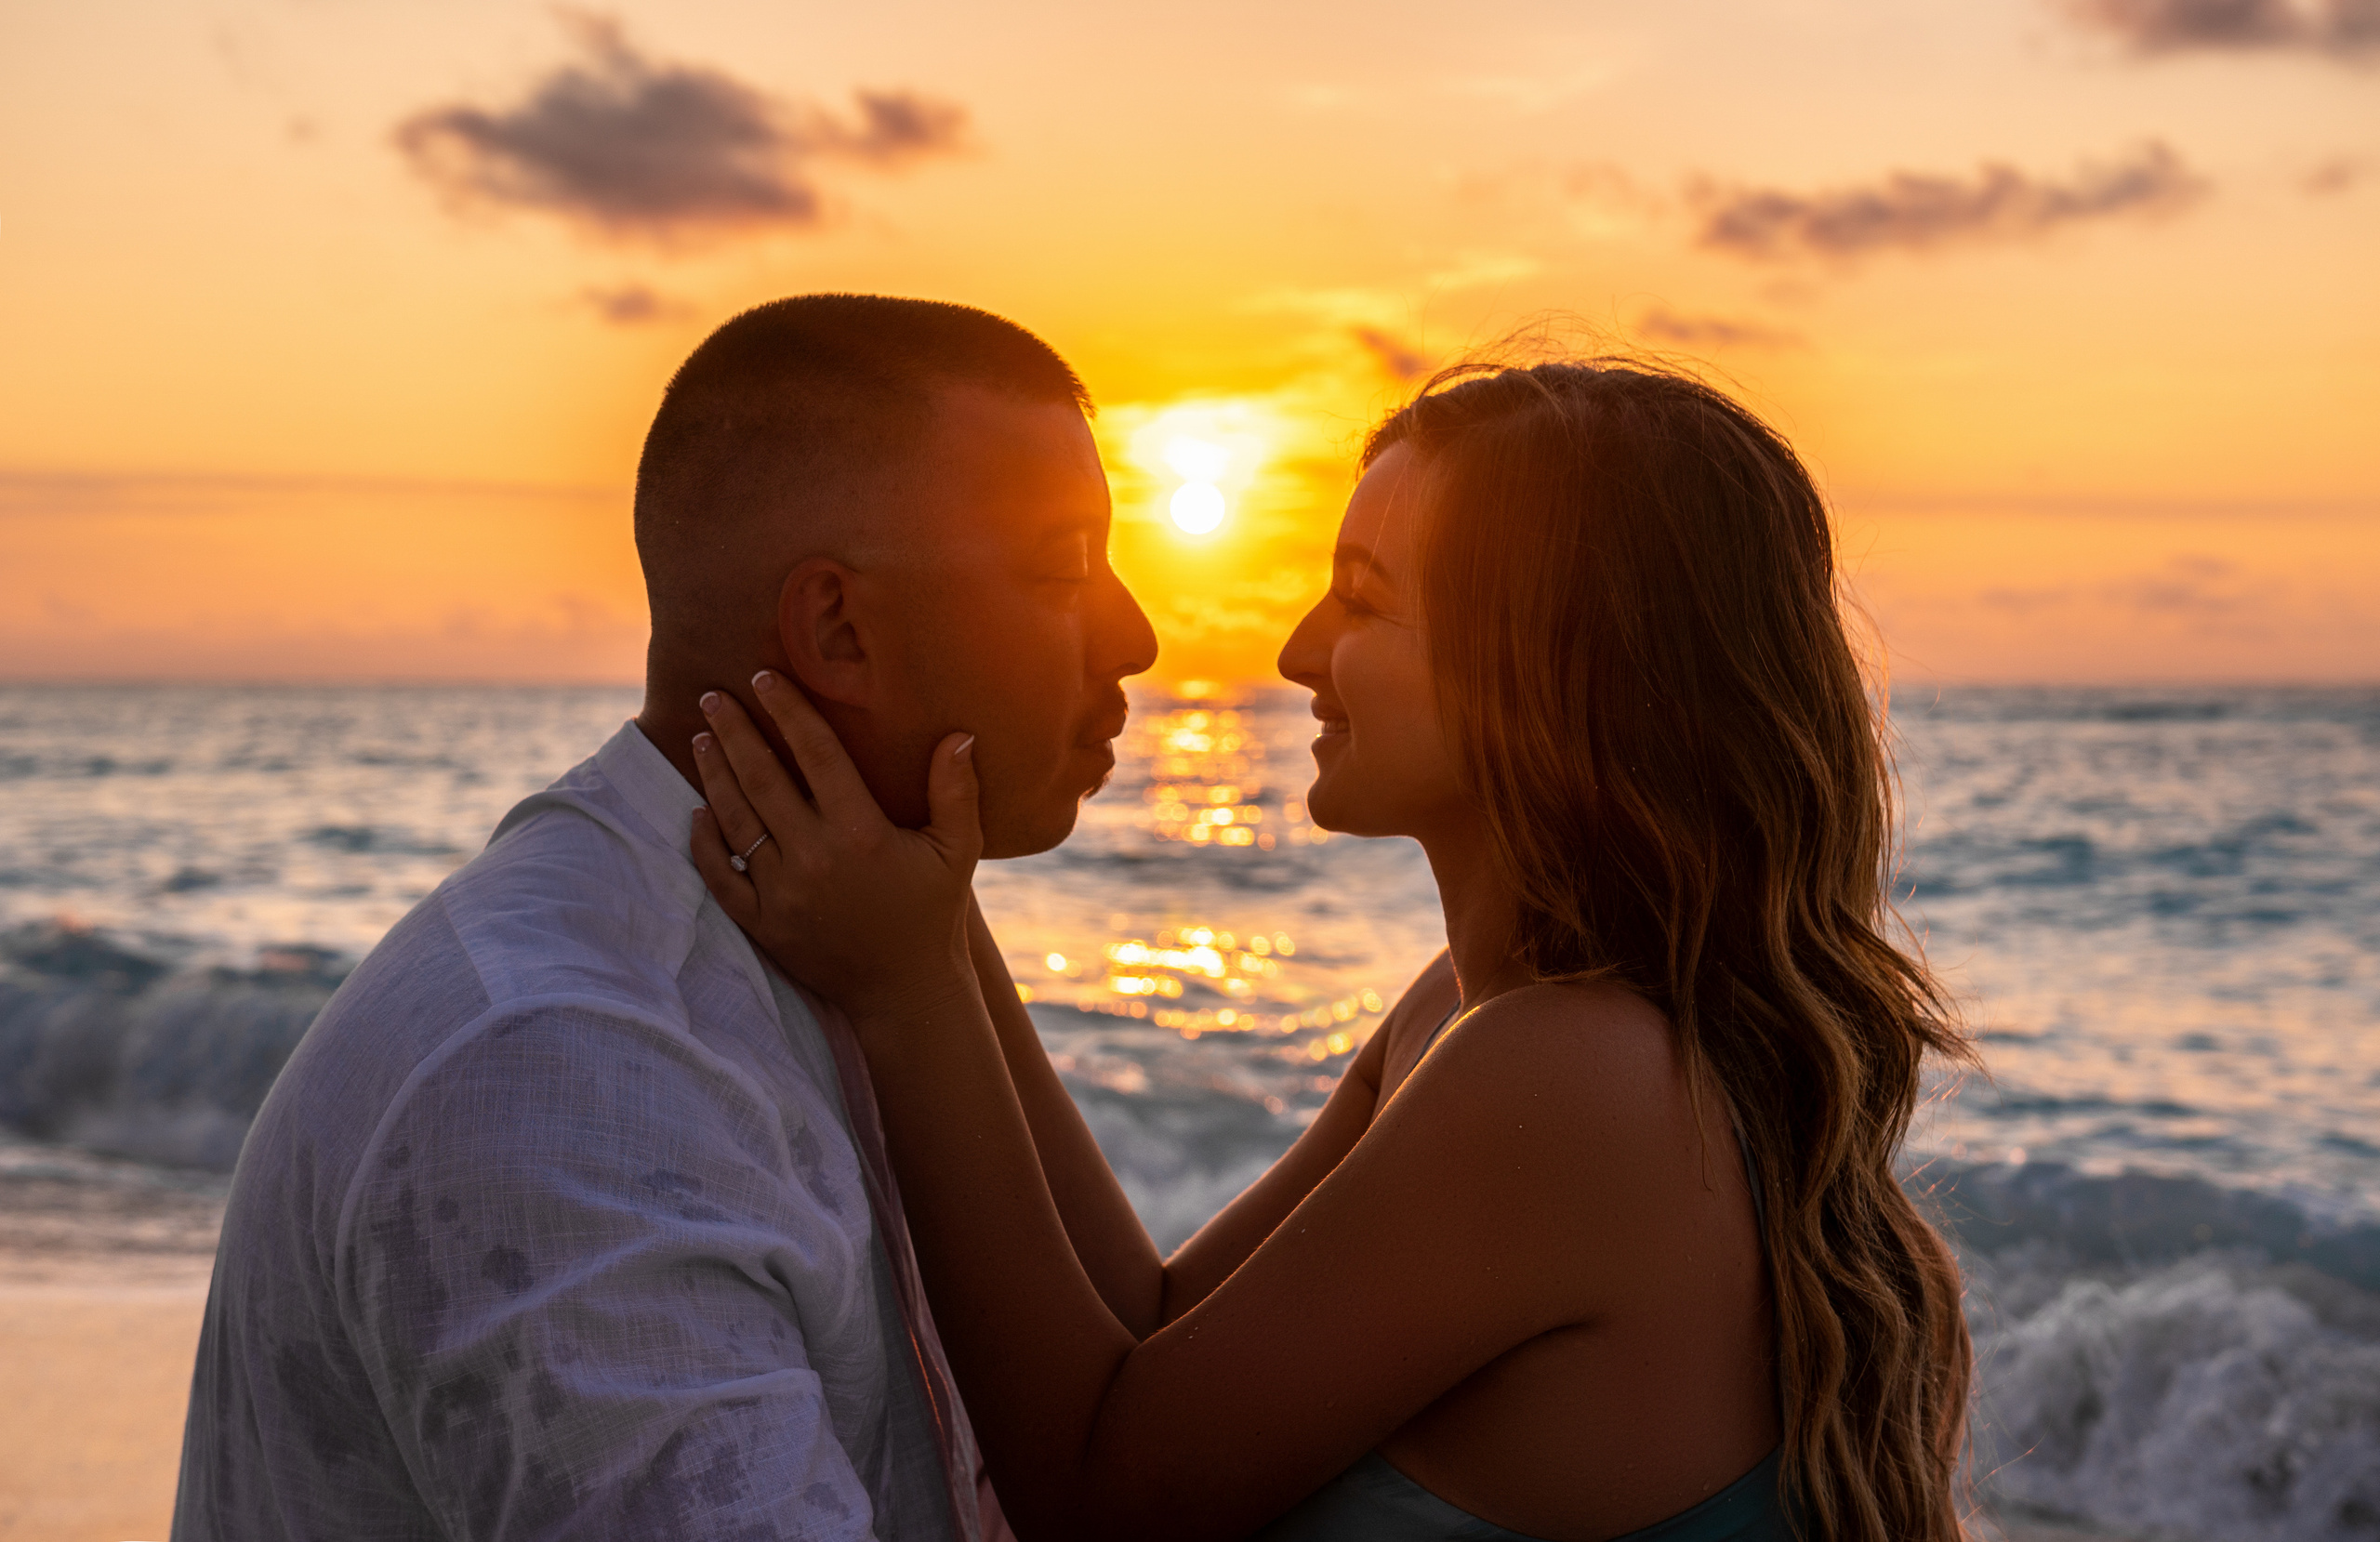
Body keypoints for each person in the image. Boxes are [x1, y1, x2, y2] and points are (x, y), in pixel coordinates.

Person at [688, 358, 1980, 1541]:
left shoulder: (1565, 1079)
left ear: (1542, 670)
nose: (1299, 651)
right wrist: (937, 904)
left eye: (1360, 601)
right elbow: (1152, 1322)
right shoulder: (1476, 1022)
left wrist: (908, 995)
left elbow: (1103, 1503)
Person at [170, 294, 1157, 1541]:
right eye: (1064, 568)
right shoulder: (566, 1070)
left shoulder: (859, 944)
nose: (1139, 636)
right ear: (838, 627)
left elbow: (1139, 1360)